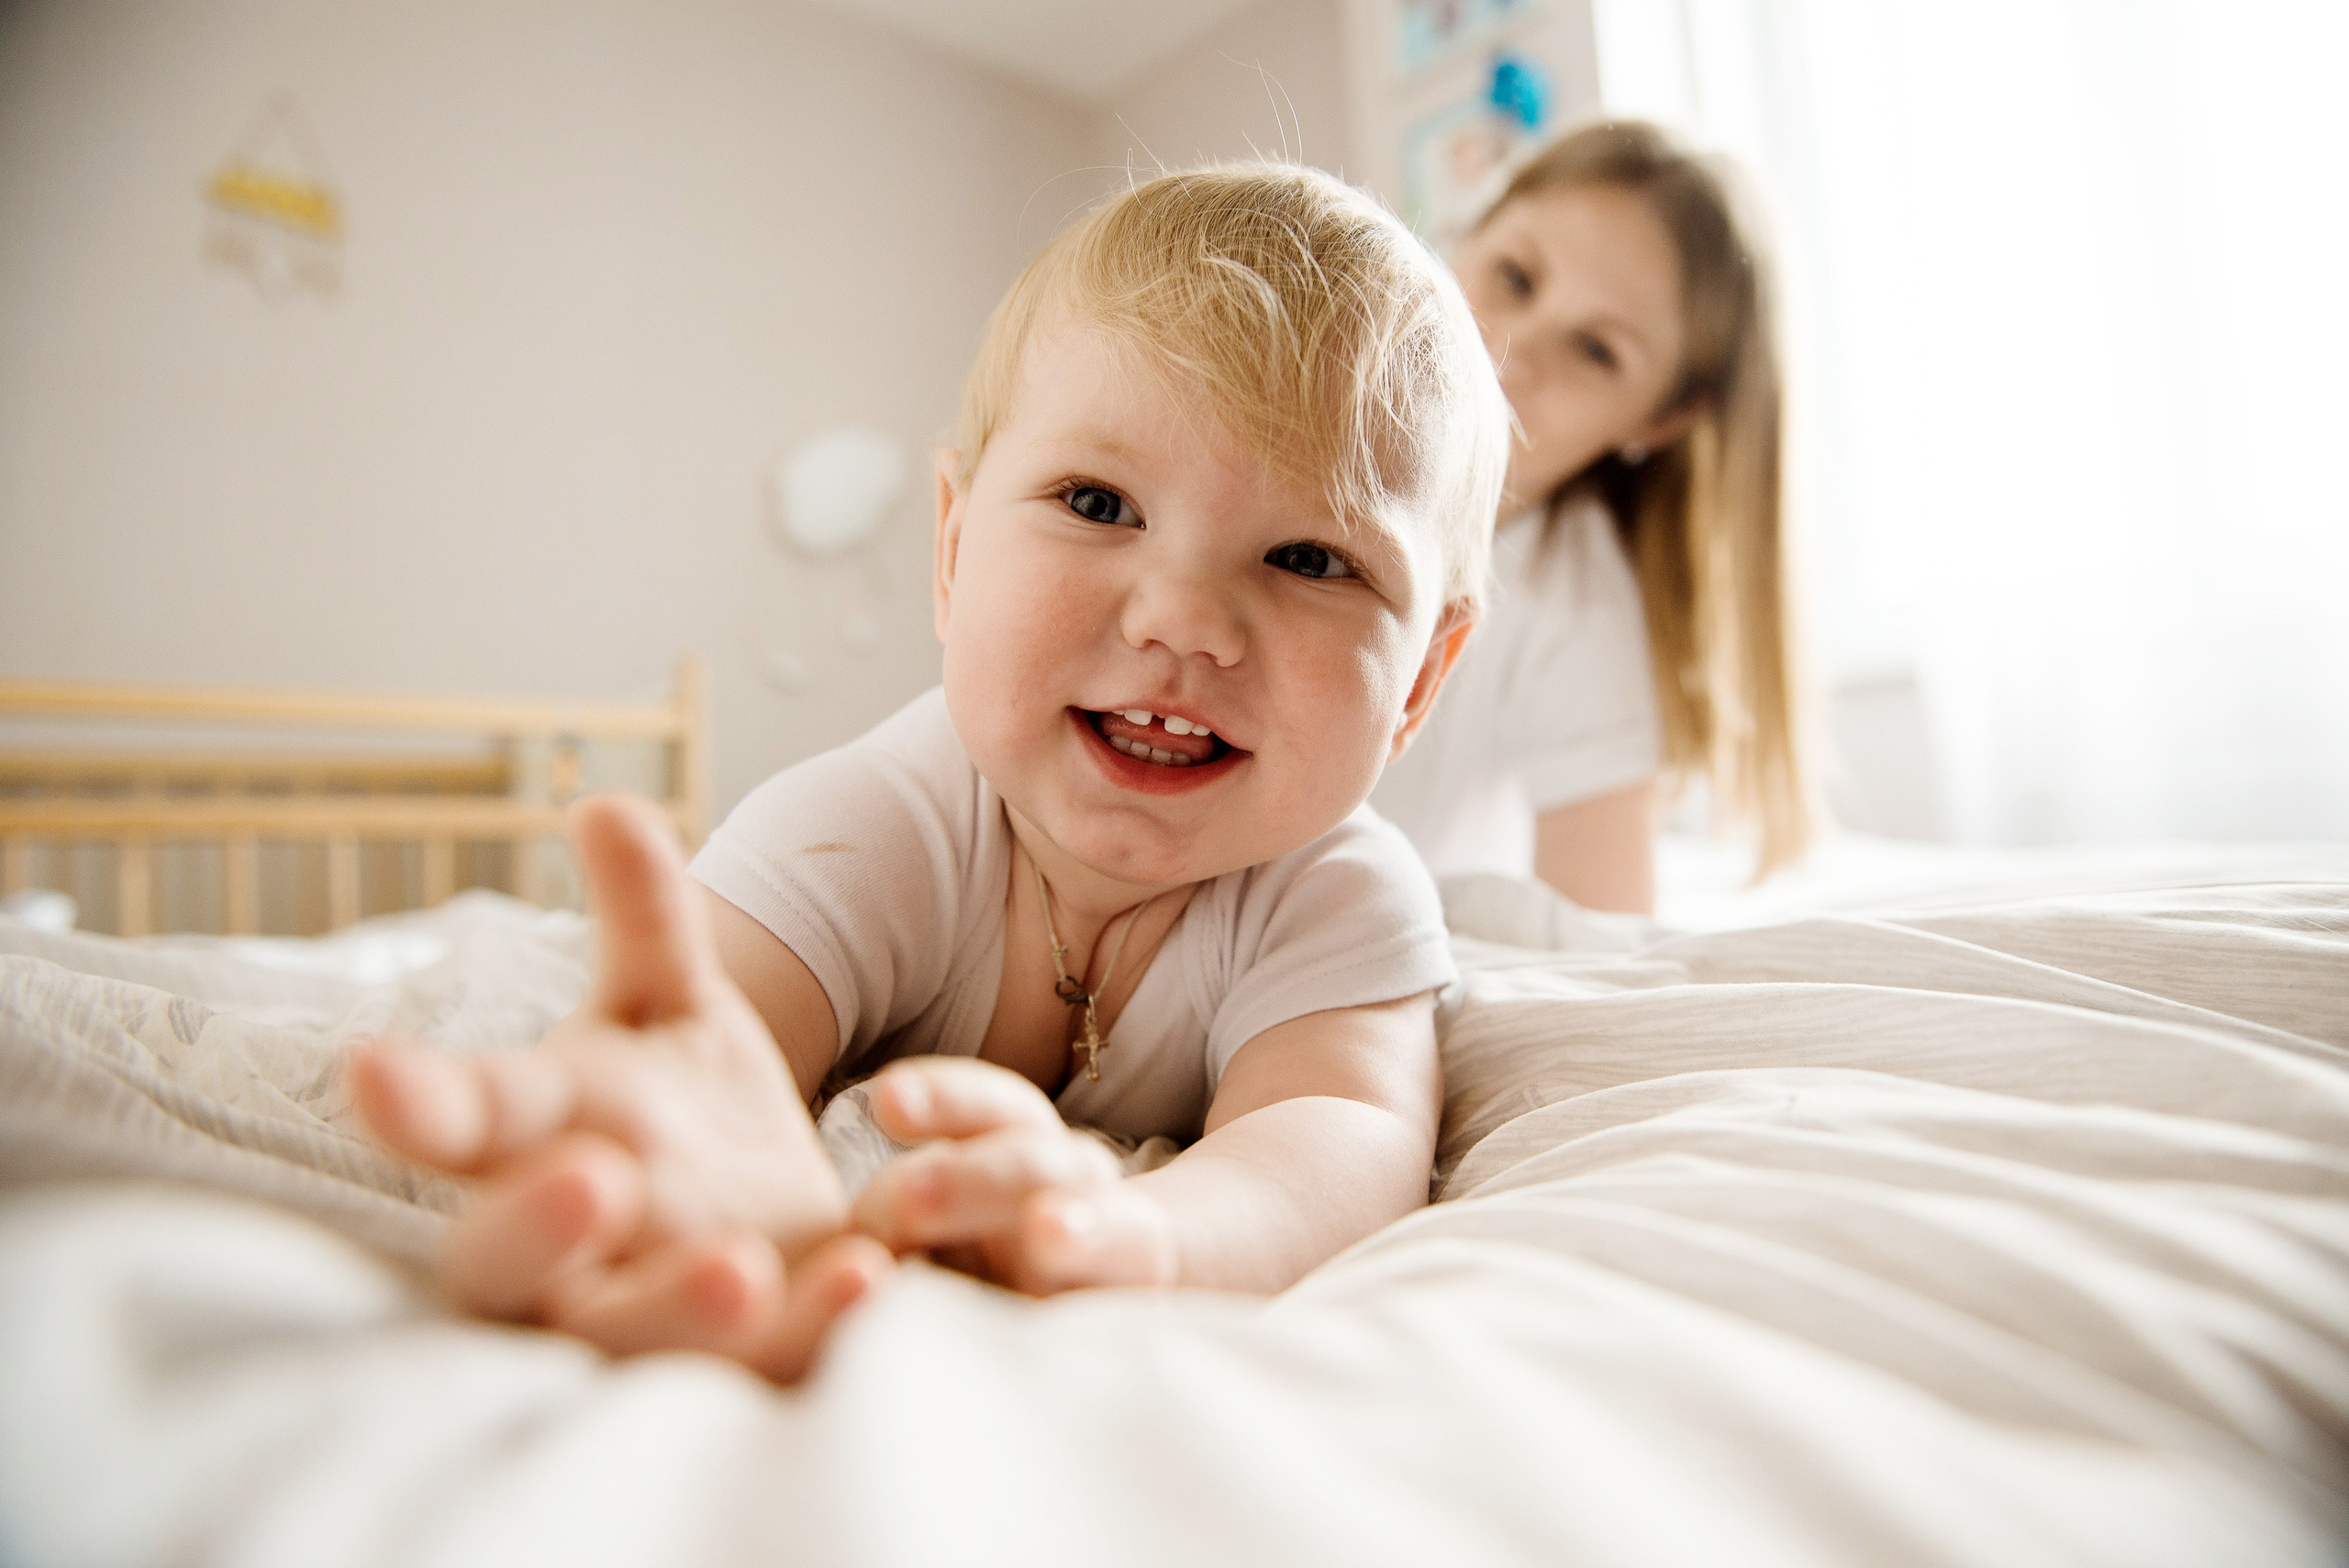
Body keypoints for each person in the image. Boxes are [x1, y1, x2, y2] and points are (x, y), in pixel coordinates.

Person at [349, 162, 1509, 1383]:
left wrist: (1136, 1231)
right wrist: (675, 1164)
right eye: (1099, 501)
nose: (1183, 619)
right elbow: (708, 1039)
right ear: (953, 552)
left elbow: (1334, 1141)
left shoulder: (1344, 892)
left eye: (1311, 559)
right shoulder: (871, 822)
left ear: (1422, 681)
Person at [1371, 120, 1815, 914]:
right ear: (1468, 233)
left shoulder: (1576, 609)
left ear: (1660, 423)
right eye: (1513, 276)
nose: (1509, 350)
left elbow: (1600, 939)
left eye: (1597, 350)